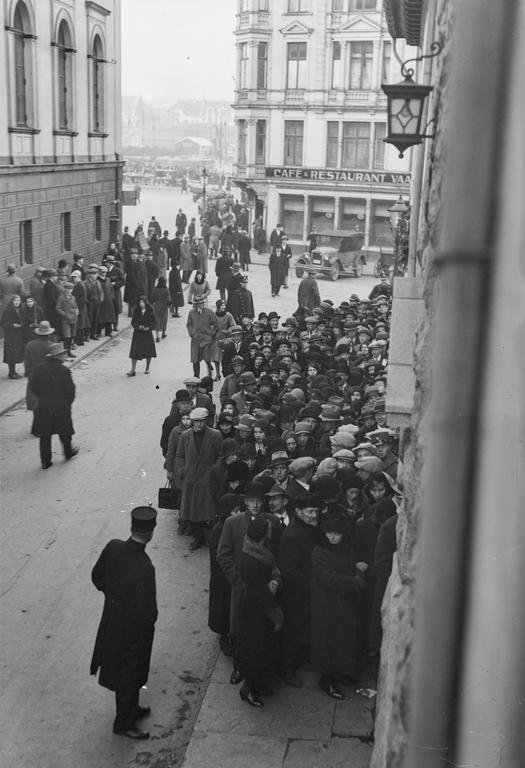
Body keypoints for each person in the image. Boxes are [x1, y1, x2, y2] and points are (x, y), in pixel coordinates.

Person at [90, 506, 157, 741]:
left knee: (124, 672)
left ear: (131, 527)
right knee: (129, 674)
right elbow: (148, 611)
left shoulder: (114, 547)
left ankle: (132, 709)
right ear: (151, 533)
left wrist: (113, 597)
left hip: (112, 622)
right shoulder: (145, 567)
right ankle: (124, 723)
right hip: (134, 632)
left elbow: (97, 576)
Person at [310, 512, 366, 699]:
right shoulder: (319, 551)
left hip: (344, 602)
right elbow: (329, 579)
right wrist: (356, 580)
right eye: (329, 533)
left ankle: (339, 672)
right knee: (327, 641)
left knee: (342, 640)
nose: (333, 537)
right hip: (326, 604)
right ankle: (326, 679)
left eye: (337, 533)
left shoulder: (347, 549)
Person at [237, 515, 283, 707]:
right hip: (256, 609)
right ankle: (248, 688)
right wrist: (274, 611)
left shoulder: (257, 551)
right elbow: (259, 590)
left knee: (263, 647)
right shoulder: (250, 559)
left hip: (259, 608)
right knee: (255, 648)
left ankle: (259, 684)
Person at [279, 493, 322, 688]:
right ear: (298, 511)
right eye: (310, 511)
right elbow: (290, 572)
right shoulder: (293, 536)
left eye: (316, 511)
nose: (315, 515)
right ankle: (287, 670)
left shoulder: (309, 527)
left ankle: (301, 660)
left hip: (307, 590)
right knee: (293, 632)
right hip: (297, 594)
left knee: (303, 629)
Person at [174, 407, 223, 551]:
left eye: (202, 421)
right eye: (196, 421)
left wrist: (215, 471)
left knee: (207, 510)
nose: (199, 424)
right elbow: (179, 455)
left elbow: (220, 455)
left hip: (207, 479)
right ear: (192, 422)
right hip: (190, 480)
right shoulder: (185, 436)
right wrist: (182, 470)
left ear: (206, 421)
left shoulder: (215, 435)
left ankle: (208, 538)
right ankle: (198, 538)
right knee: (192, 511)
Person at [29, 342, 78, 468]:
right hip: (61, 406)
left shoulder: (39, 369)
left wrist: (42, 396)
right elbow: (70, 390)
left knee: (45, 434)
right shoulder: (64, 370)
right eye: (62, 354)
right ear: (57, 356)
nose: (64, 356)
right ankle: (68, 453)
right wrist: (67, 402)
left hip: (44, 405)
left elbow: (33, 386)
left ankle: (45, 461)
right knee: (65, 432)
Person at [209, 493, 244, 658]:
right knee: (223, 609)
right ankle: (223, 636)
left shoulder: (230, 526)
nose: (239, 513)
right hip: (223, 578)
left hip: (230, 576)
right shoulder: (220, 530)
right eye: (236, 510)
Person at [23, 320, 56, 411]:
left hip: (34, 378)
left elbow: (27, 363)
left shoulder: (30, 345)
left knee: (36, 407)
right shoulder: (53, 346)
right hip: (49, 378)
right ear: (49, 333)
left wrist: (28, 374)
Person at [186, 295, 217, 378]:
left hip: (206, 339)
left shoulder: (209, 312)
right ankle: (196, 376)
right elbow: (189, 324)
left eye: (203, 302)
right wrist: (191, 333)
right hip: (195, 339)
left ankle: (209, 372)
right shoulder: (191, 313)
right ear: (196, 304)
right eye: (200, 303)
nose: (203, 304)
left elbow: (215, 324)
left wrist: (212, 334)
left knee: (207, 357)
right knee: (195, 359)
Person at [127, 296, 156, 376]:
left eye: (143, 302)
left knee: (148, 351)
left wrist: (149, 328)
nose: (141, 304)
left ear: (146, 302)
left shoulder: (150, 310)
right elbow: (133, 322)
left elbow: (154, 322)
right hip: (138, 333)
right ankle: (133, 369)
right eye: (140, 302)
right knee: (134, 351)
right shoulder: (137, 310)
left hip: (147, 333)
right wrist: (138, 327)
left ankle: (147, 367)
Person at [210, 299, 236, 382]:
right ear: (218, 306)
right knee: (216, 358)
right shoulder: (214, 315)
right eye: (221, 305)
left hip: (226, 338)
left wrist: (228, 330)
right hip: (216, 338)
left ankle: (227, 373)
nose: (223, 307)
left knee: (226, 357)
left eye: (224, 305)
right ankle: (217, 374)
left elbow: (233, 325)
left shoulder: (228, 315)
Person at [1, 294, 24, 378]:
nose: (17, 302)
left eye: (18, 300)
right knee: (11, 354)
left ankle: (13, 372)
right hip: (10, 336)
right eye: (15, 300)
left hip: (17, 335)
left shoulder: (20, 309)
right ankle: (11, 373)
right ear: (12, 301)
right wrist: (13, 325)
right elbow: (3, 323)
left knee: (15, 354)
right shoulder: (8, 311)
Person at [55, 281, 79, 358]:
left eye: (71, 289)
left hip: (73, 319)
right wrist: (65, 315)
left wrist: (77, 311)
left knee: (72, 335)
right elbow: (58, 308)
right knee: (67, 336)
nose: (70, 290)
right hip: (66, 320)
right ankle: (66, 351)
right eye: (68, 289)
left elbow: (76, 306)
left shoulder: (73, 297)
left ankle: (69, 351)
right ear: (65, 289)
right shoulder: (61, 297)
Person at [150, 276, 171, 342]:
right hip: (164, 306)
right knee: (164, 320)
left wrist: (152, 303)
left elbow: (152, 298)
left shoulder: (155, 289)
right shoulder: (166, 290)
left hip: (157, 306)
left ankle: (157, 336)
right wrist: (170, 306)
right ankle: (163, 334)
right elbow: (168, 299)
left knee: (157, 320)